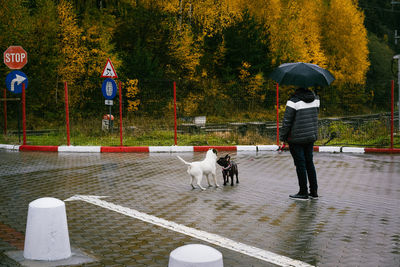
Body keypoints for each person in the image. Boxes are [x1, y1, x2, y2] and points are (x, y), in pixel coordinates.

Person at [280, 87, 320, 200]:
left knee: (300, 164)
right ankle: (314, 191)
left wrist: (283, 137)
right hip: (310, 136)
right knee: (309, 163)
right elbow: (315, 116)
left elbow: (287, 121)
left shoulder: (293, 101)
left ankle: (303, 192)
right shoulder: (316, 99)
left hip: (296, 138)